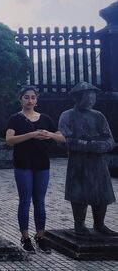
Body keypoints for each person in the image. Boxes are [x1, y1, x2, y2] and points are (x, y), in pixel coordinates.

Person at [5, 85, 64, 253]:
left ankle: (41, 236)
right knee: (25, 201)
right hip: (23, 165)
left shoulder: (45, 118)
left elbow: (61, 138)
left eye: (32, 97)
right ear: (20, 99)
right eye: (26, 97)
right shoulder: (15, 119)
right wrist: (31, 135)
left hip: (42, 165)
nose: (29, 100)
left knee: (40, 202)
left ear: (36, 100)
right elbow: (9, 140)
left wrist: (49, 134)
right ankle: (25, 237)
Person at [58, 81, 116, 236]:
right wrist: (88, 145)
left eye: (93, 96)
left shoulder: (98, 116)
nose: (91, 99)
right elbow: (64, 139)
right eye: (87, 96)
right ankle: (79, 225)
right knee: (79, 194)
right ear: (78, 98)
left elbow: (109, 138)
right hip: (79, 162)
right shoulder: (67, 116)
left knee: (102, 194)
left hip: (98, 162)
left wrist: (106, 146)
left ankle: (100, 224)